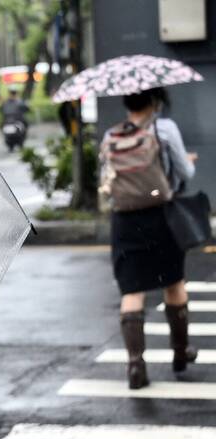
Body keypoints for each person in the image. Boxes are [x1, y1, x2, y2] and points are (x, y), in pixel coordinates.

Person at [104, 87, 198, 389]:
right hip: (161, 217)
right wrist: (188, 161)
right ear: (154, 101)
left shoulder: (111, 136)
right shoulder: (164, 128)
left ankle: (135, 365)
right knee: (173, 283)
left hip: (124, 221)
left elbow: (106, 180)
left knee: (132, 290)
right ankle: (181, 352)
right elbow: (186, 172)